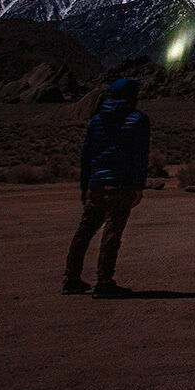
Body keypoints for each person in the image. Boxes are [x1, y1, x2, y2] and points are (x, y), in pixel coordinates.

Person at [63, 77, 150, 298]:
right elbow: (140, 156)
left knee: (84, 230)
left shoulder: (97, 119)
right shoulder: (138, 120)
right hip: (121, 185)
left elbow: (86, 154)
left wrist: (85, 186)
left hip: (96, 184)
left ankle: (71, 279)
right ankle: (104, 282)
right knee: (112, 233)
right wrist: (139, 186)